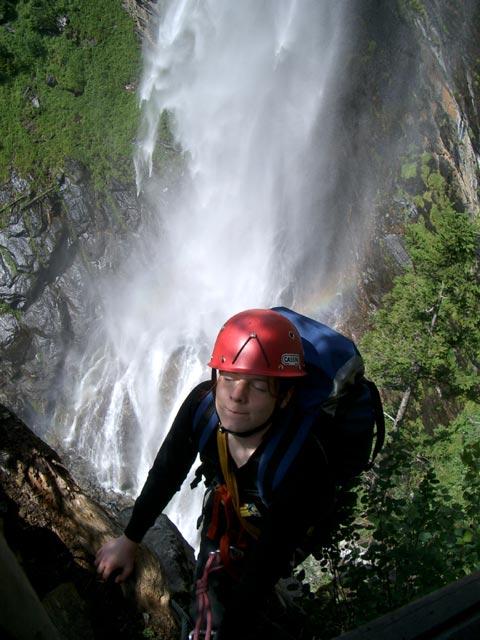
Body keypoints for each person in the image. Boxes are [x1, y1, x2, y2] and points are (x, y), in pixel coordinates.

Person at [95, 309, 336, 639]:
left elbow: (267, 561)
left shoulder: (300, 461)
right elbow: (168, 470)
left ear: (285, 396)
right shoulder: (203, 408)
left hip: (289, 526)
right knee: (212, 587)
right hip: (231, 501)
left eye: (258, 385)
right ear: (215, 377)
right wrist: (130, 538)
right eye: (229, 378)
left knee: (247, 594)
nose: (237, 395)